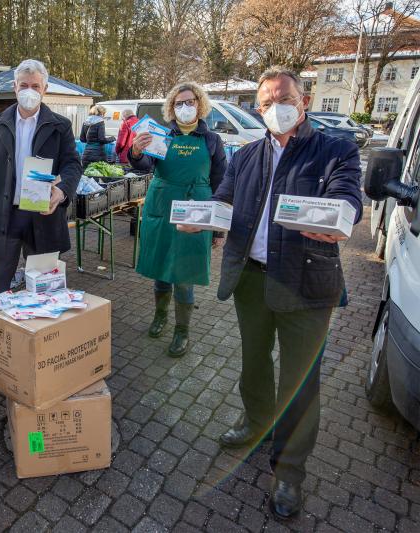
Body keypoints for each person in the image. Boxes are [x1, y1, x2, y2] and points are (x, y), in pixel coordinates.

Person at [180, 67, 362, 519]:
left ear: (303, 101)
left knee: (300, 383)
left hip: (307, 283)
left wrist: (340, 215)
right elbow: (223, 200)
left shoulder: (334, 149)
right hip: (252, 278)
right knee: (254, 361)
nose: (274, 107)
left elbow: (348, 199)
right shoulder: (247, 155)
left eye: (283, 98)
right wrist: (202, 219)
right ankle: (256, 422)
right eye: (265, 102)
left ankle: (288, 472)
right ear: (257, 109)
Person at [0, 59, 81, 295]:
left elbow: (73, 165)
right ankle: (0, 328)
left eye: (35, 86)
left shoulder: (60, 126)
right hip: (5, 216)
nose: (29, 91)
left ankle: (41, 332)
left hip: (43, 215)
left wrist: (62, 190)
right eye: (24, 85)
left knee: (44, 289)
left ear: (45, 89)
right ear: (15, 87)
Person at [128, 82, 226, 357]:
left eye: (190, 101)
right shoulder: (162, 135)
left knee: (184, 276)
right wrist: (136, 152)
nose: (185, 107)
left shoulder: (211, 140)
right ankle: (160, 316)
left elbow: (221, 182)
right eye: (179, 103)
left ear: (200, 104)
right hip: (161, 206)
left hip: (196, 210)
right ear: (172, 108)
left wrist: (218, 227)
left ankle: (182, 331)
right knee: (161, 271)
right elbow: (144, 166)